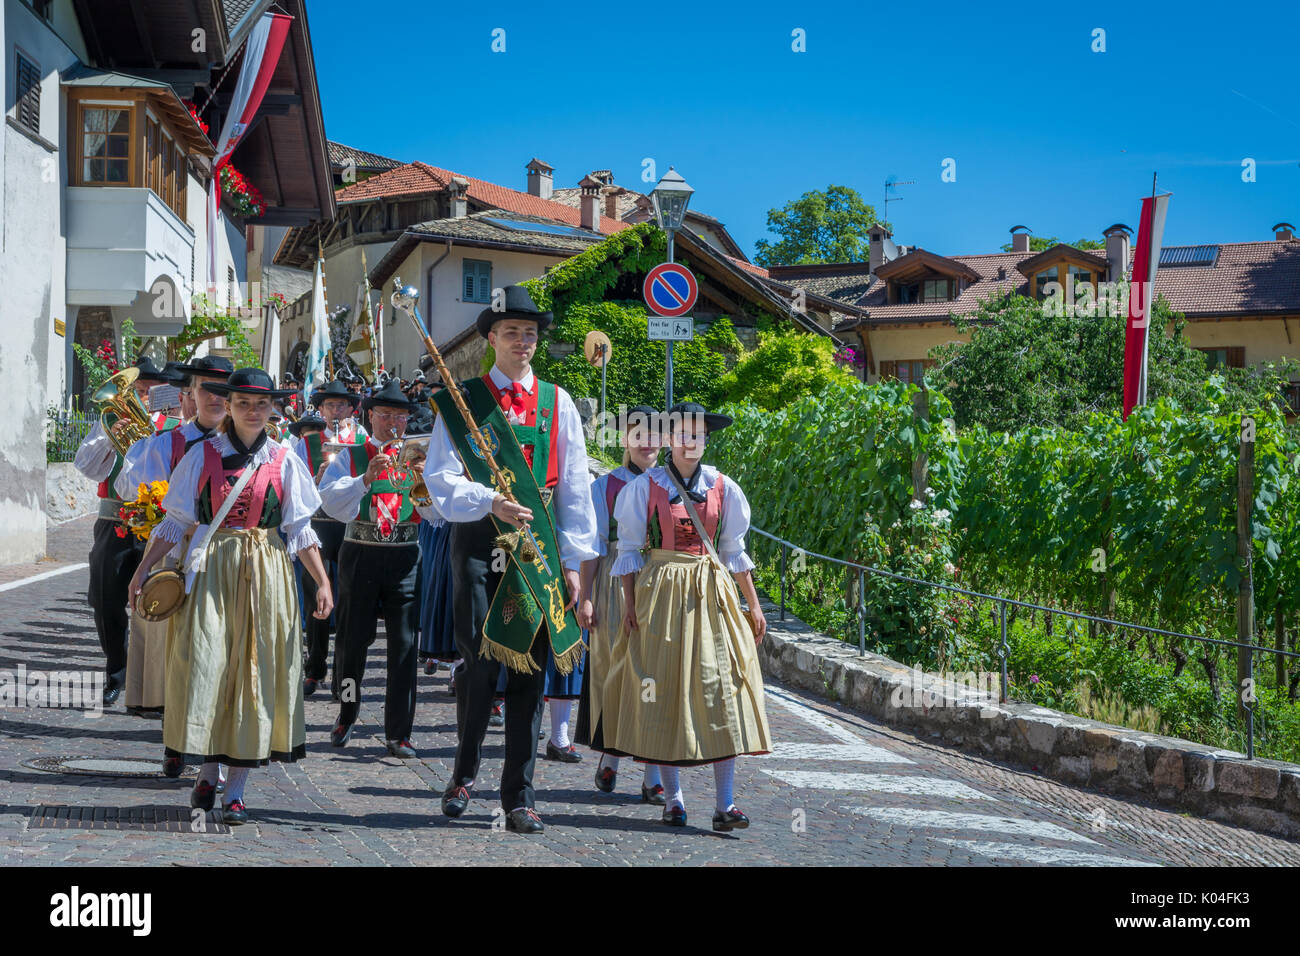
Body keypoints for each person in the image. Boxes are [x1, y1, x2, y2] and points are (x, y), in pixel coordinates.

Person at [423, 284, 598, 834]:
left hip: (538, 547)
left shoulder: (558, 402)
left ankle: (517, 797)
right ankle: (463, 771)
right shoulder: (464, 400)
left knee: (528, 674)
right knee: (480, 666)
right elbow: (440, 479)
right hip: (478, 543)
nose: (522, 341)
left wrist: (573, 563)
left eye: (530, 333)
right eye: (511, 332)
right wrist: (488, 500)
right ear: (491, 339)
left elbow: (574, 489)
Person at [127, 367, 333, 825]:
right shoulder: (202, 457)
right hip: (212, 568)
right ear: (231, 406)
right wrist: (143, 570)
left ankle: (235, 790)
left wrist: (322, 581)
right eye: (244, 403)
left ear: (272, 408)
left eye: (262, 403)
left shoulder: (284, 458)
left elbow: (300, 528)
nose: (253, 411)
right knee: (207, 665)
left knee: (255, 672)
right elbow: (175, 521)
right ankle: (208, 768)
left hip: (267, 572)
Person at [607, 402, 772, 832]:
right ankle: (674, 799)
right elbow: (628, 550)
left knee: (724, 689)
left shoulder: (723, 486)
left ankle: (725, 803)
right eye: (683, 432)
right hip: (660, 591)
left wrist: (752, 604)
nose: (691, 440)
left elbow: (734, 551)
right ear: (670, 438)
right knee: (664, 690)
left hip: (711, 591)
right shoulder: (647, 487)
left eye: (698, 433)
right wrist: (629, 606)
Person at [113, 356, 232, 775]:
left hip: (222, 558)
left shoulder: (247, 444)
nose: (216, 399)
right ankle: (175, 739)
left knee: (214, 649)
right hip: (173, 555)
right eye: (207, 390)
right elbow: (126, 484)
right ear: (190, 395)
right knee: (172, 652)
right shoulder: (168, 440)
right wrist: (153, 482)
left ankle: (211, 742)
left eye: (223, 391)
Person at [318, 379, 438, 757]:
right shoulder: (350, 455)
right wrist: (365, 478)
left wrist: (422, 482)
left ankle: (399, 731)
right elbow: (329, 503)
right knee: (353, 642)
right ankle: (347, 712)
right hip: (362, 552)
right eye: (385, 415)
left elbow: (436, 516)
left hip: (404, 556)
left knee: (404, 647)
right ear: (370, 416)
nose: (393, 423)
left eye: (400, 417)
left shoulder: (419, 458)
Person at [575, 405, 665, 802]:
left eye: (654, 434)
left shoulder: (673, 486)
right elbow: (593, 548)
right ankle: (610, 756)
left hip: (661, 584)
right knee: (615, 671)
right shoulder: (604, 487)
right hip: (614, 581)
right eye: (638, 433)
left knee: (658, 676)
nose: (647, 442)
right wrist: (587, 597)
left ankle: (654, 772)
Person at [74, 357, 173, 706]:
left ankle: (151, 684)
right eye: (138, 391)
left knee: (159, 602)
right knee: (104, 600)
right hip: (114, 522)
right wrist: (108, 436)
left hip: (159, 527)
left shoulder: (175, 426)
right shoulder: (110, 422)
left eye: (149, 392)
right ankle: (116, 670)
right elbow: (86, 467)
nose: (142, 398)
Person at [291, 379, 366, 698]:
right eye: (330, 405)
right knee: (316, 601)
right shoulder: (305, 443)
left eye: (342, 405)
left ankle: (343, 676)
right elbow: (293, 485)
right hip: (318, 526)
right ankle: (315, 668)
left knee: (349, 602)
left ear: (351, 409)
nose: (336, 411)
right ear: (320, 409)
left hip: (350, 526)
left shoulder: (362, 439)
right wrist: (316, 479)